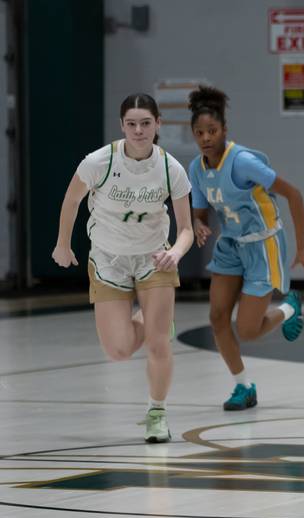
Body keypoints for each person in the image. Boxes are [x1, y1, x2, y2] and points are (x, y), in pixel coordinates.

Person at [52, 93, 193, 443]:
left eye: (146, 123)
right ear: (122, 126)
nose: (139, 130)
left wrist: (175, 251)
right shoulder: (99, 162)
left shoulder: (169, 168)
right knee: (117, 351)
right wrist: (63, 243)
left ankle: (157, 413)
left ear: (158, 125)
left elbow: (186, 228)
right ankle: (151, 320)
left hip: (153, 259)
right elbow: (72, 200)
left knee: (159, 345)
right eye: (131, 123)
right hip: (108, 258)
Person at [187, 86, 304, 411]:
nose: (206, 138)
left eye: (212, 131)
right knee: (218, 317)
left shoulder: (243, 163)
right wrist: (197, 223)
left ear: (224, 131)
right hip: (231, 246)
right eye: (199, 133)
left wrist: (303, 247)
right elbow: (200, 209)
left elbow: (294, 194)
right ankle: (243, 386)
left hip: (263, 245)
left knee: (248, 331)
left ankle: (289, 307)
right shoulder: (197, 168)